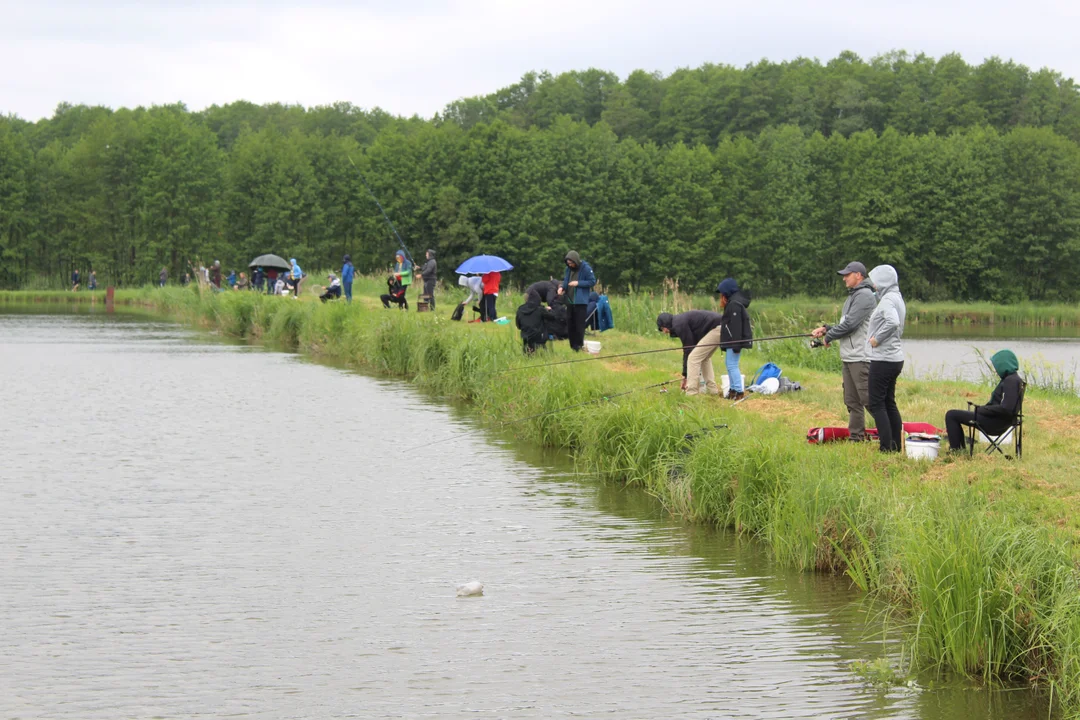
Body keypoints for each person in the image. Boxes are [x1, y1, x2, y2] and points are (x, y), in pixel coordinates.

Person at [811, 262, 875, 441]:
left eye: (847, 275)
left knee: (868, 399)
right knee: (852, 401)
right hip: (849, 356)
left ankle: (891, 435)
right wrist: (826, 329)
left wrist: (829, 336)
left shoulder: (864, 295)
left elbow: (851, 325)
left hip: (860, 357)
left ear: (858, 275)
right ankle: (856, 437)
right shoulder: (853, 296)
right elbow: (845, 325)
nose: (844, 278)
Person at [945, 350, 1023, 452]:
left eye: (996, 367)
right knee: (955, 415)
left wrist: (982, 409)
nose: (995, 370)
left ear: (1003, 364)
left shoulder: (1011, 381)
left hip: (994, 423)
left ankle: (956, 450)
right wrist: (983, 409)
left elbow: (1007, 408)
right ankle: (959, 449)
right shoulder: (1013, 379)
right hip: (999, 420)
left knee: (951, 415)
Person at [866, 265, 906, 453]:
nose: (873, 285)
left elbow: (893, 322)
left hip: (883, 359)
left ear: (882, 281)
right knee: (889, 402)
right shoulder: (897, 297)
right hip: (895, 358)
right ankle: (896, 445)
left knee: (877, 403)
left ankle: (886, 447)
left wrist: (876, 339)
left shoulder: (887, 300)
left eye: (874, 281)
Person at [656, 310, 724, 395]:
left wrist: (685, 376)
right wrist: (685, 375)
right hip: (721, 326)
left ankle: (691, 392)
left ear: (666, 323)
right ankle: (713, 391)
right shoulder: (679, 321)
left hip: (716, 328)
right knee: (704, 358)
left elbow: (688, 349)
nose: (664, 332)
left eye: (662, 328)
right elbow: (692, 344)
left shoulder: (678, 324)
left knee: (693, 358)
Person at [715, 278, 753, 400]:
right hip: (731, 341)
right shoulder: (732, 303)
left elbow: (736, 327)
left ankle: (739, 391)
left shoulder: (734, 305)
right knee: (729, 364)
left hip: (734, 342)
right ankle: (732, 390)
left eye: (722, 293)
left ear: (727, 292)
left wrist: (736, 344)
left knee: (732, 365)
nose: (721, 296)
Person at [558, 251, 596, 351]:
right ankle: (572, 346)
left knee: (579, 324)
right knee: (570, 324)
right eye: (568, 263)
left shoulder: (586, 268)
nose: (570, 265)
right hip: (569, 300)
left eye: (571, 263)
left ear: (576, 261)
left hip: (580, 301)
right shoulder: (568, 269)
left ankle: (578, 346)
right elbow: (565, 280)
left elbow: (592, 281)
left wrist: (578, 283)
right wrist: (562, 288)